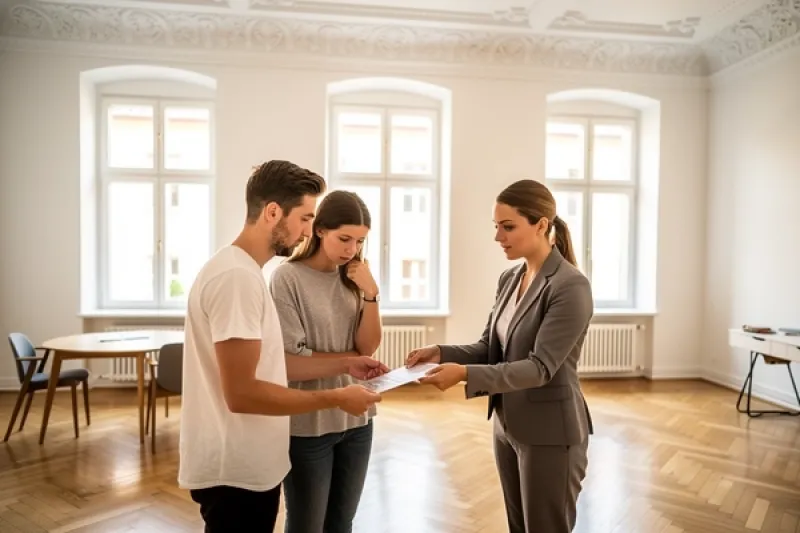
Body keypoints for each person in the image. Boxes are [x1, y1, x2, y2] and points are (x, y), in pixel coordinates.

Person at [178, 160, 387, 533]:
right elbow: (242, 393)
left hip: (247, 462)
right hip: (235, 467)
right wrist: (336, 397)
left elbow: (266, 369)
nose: (308, 230)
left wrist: (345, 363)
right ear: (273, 212)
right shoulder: (237, 278)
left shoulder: (243, 273)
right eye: (306, 218)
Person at [406, 179, 594, 533]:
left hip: (551, 433)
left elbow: (540, 368)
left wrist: (463, 374)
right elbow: (490, 349)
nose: (498, 237)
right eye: (497, 227)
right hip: (508, 424)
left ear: (541, 225)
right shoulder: (510, 278)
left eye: (508, 227)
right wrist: (440, 352)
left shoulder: (570, 286)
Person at [269, 190, 382, 533]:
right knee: (307, 525)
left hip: (357, 421)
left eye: (360, 241)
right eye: (344, 238)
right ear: (319, 230)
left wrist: (371, 293)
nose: (352, 250)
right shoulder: (287, 278)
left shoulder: (355, 276)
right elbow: (290, 361)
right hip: (308, 425)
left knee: (341, 522)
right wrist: (349, 362)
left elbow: (368, 347)